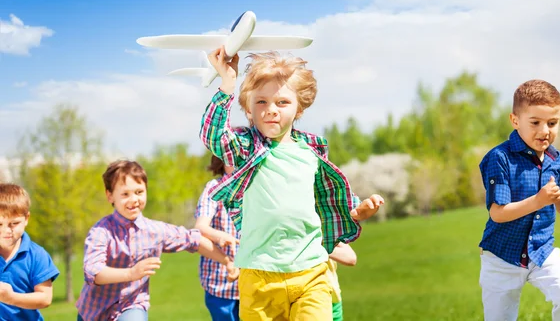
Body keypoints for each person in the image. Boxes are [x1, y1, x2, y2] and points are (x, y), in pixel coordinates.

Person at [200, 47, 384, 320]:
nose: (270, 110)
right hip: (259, 277)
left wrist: (358, 210)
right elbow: (214, 137)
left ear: (300, 107)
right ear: (248, 108)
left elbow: (326, 196)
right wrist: (227, 83)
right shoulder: (246, 150)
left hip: (311, 272)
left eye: (282, 102)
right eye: (261, 102)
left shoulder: (311, 152)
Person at [75, 160, 238, 321]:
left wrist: (227, 261)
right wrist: (131, 273)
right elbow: (93, 271)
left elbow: (194, 240)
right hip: (94, 312)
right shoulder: (101, 232)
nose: (134, 199)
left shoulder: (155, 231)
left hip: (132, 305)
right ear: (110, 195)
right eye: (125, 194)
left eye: (139, 192)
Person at [478, 79, 560, 321]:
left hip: (541, 250)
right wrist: (538, 200)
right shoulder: (500, 158)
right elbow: (498, 213)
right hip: (502, 257)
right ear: (515, 121)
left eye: (552, 122)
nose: (545, 130)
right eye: (535, 122)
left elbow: (553, 191)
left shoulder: (556, 160)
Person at [0, 183, 59, 321]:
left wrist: (11, 298)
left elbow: (45, 298)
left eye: (14, 223)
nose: (6, 231)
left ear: (26, 219)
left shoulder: (37, 255)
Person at [195, 155, 240, 321]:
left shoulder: (257, 188)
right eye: (231, 157)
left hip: (253, 282)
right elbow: (200, 228)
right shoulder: (215, 188)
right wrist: (218, 234)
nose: (238, 161)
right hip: (220, 283)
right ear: (221, 160)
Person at [327, 242, 357, 321]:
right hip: (298, 296)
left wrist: (315, 246)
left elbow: (350, 258)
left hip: (331, 299)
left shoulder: (323, 231)